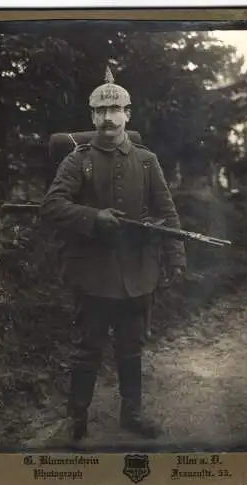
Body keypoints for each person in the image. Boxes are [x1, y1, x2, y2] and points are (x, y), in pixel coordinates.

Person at [40, 67, 187, 442]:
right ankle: (77, 418)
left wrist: (176, 258)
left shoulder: (146, 161)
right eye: (101, 111)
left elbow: (168, 214)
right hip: (92, 273)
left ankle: (132, 413)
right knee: (87, 347)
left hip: (138, 271)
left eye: (115, 109)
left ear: (127, 114)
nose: (108, 118)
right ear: (92, 117)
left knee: (131, 346)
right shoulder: (77, 161)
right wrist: (93, 217)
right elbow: (52, 206)